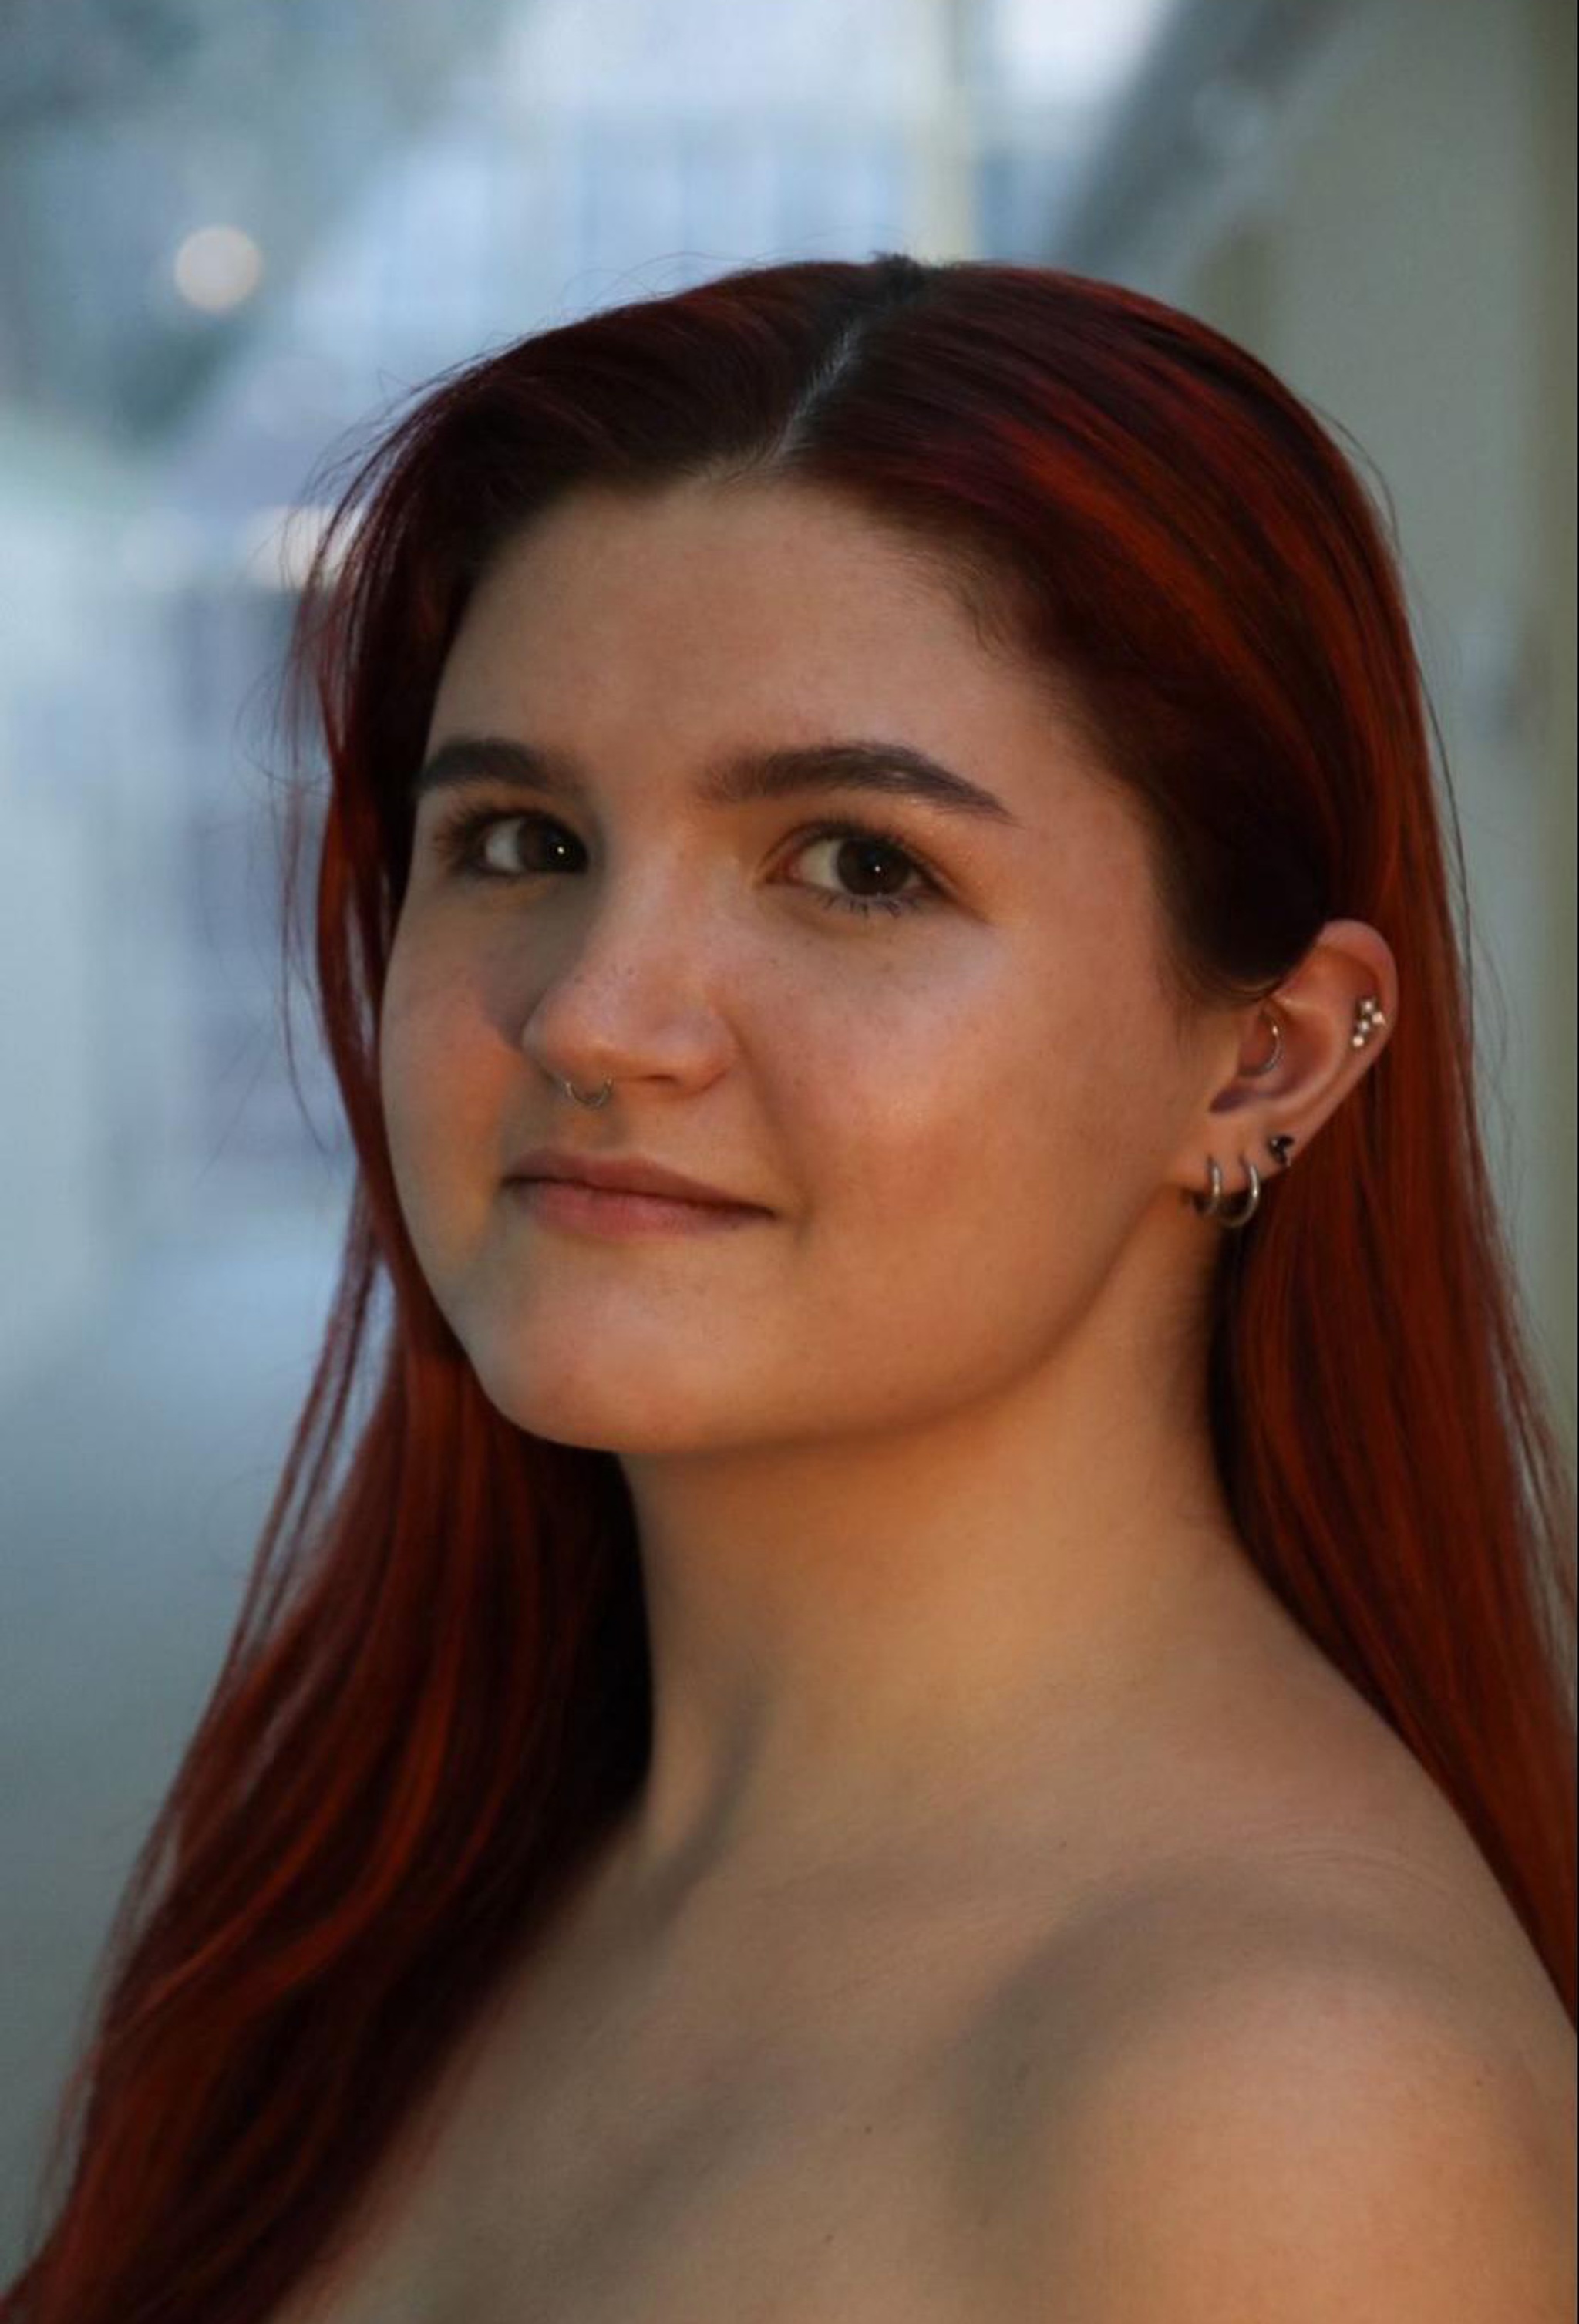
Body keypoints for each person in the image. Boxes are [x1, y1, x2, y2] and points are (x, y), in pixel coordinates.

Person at [6, 255, 1574, 2324]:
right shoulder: (435, 1843)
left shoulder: (1276, 2128)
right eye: (522, 840)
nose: (594, 1014)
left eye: (854, 863)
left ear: (1262, 1054)